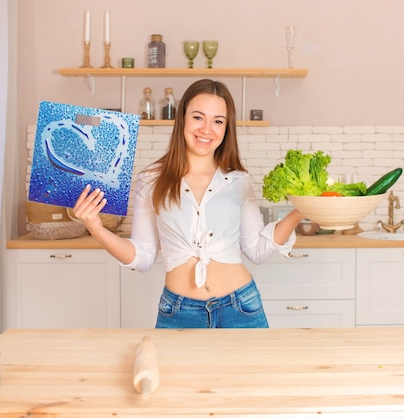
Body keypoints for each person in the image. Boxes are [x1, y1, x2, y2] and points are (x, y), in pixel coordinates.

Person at [73, 79, 304, 328]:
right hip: (179, 312)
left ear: (227, 128)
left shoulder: (239, 181)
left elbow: (257, 250)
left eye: (218, 121)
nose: (207, 129)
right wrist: (96, 227)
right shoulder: (151, 180)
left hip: (242, 308)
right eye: (198, 117)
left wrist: (301, 211)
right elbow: (142, 257)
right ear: (181, 118)